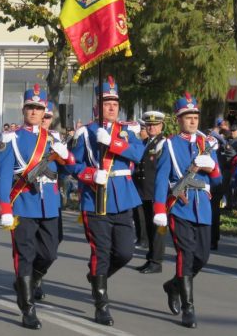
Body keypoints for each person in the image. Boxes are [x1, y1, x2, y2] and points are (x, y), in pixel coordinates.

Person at [0, 83, 75, 330]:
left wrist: (66, 155)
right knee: (25, 255)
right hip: (23, 204)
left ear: (44, 112)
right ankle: (28, 308)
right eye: (30, 107)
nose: (33, 112)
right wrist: (5, 208)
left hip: (49, 204)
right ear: (23, 110)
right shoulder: (12, 138)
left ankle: (27, 282)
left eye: (38, 109)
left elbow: (69, 169)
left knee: (50, 253)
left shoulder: (53, 139)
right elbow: (2, 175)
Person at [71, 77, 143, 326]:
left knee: (124, 252)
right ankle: (101, 303)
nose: (111, 107)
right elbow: (73, 165)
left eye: (114, 102)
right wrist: (90, 174)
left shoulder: (129, 129)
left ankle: (96, 277)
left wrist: (111, 142)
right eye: (106, 102)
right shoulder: (85, 132)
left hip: (123, 198)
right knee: (100, 252)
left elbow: (138, 153)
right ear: (97, 105)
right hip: (96, 198)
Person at [154, 92, 222, 328]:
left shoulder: (206, 143)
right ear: (179, 118)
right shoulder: (170, 144)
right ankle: (188, 307)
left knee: (202, 256)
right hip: (180, 207)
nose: (193, 121)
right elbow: (162, 178)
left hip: (202, 206)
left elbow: (218, 178)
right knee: (186, 254)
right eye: (187, 117)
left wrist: (212, 166)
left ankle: (173, 285)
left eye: (195, 116)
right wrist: (160, 208)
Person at [134, 111, 167, 273]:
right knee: (148, 226)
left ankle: (157, 261)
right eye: (149, 125)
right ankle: (150, 258)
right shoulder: (147, 142)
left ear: (161, 126)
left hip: (156, 192)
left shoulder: (163, 143)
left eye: (155, 125)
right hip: (145, 192)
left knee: (158, 230)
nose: (151, 127)